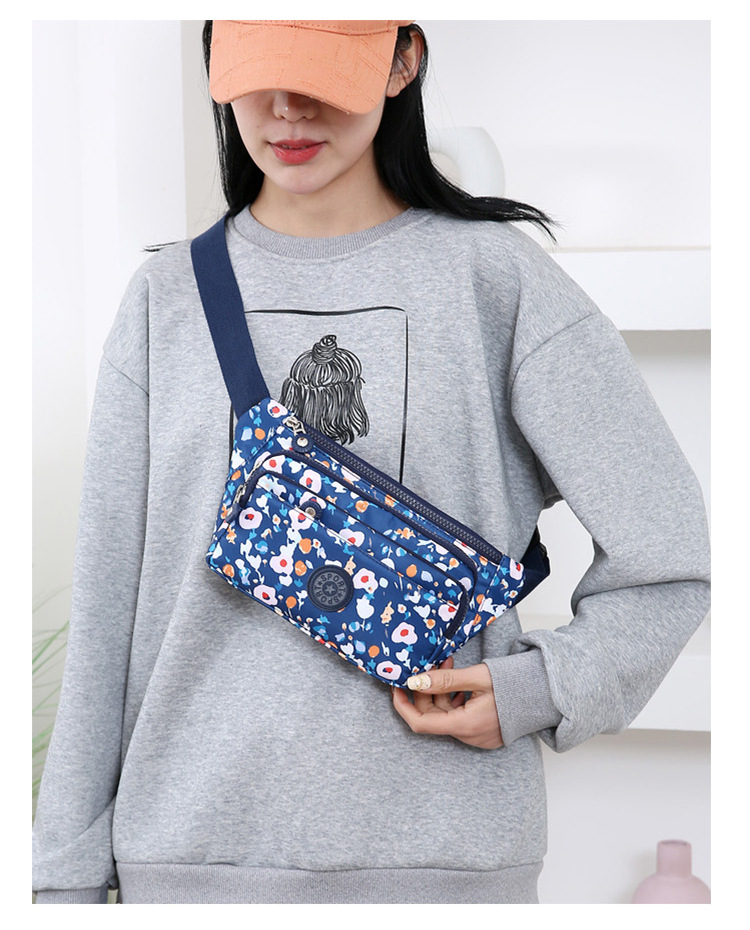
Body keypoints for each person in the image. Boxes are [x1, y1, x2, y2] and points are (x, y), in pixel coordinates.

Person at [32, 20, 710, 904]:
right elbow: (107, 616)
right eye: (258, 74)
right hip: (190, 863)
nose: (286, 108)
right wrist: (62, 883)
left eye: (321, 74)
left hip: (447, 869)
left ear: (402, 61)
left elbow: (670, 552)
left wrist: (540, 687)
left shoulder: (496, 282)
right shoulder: (164, 301)